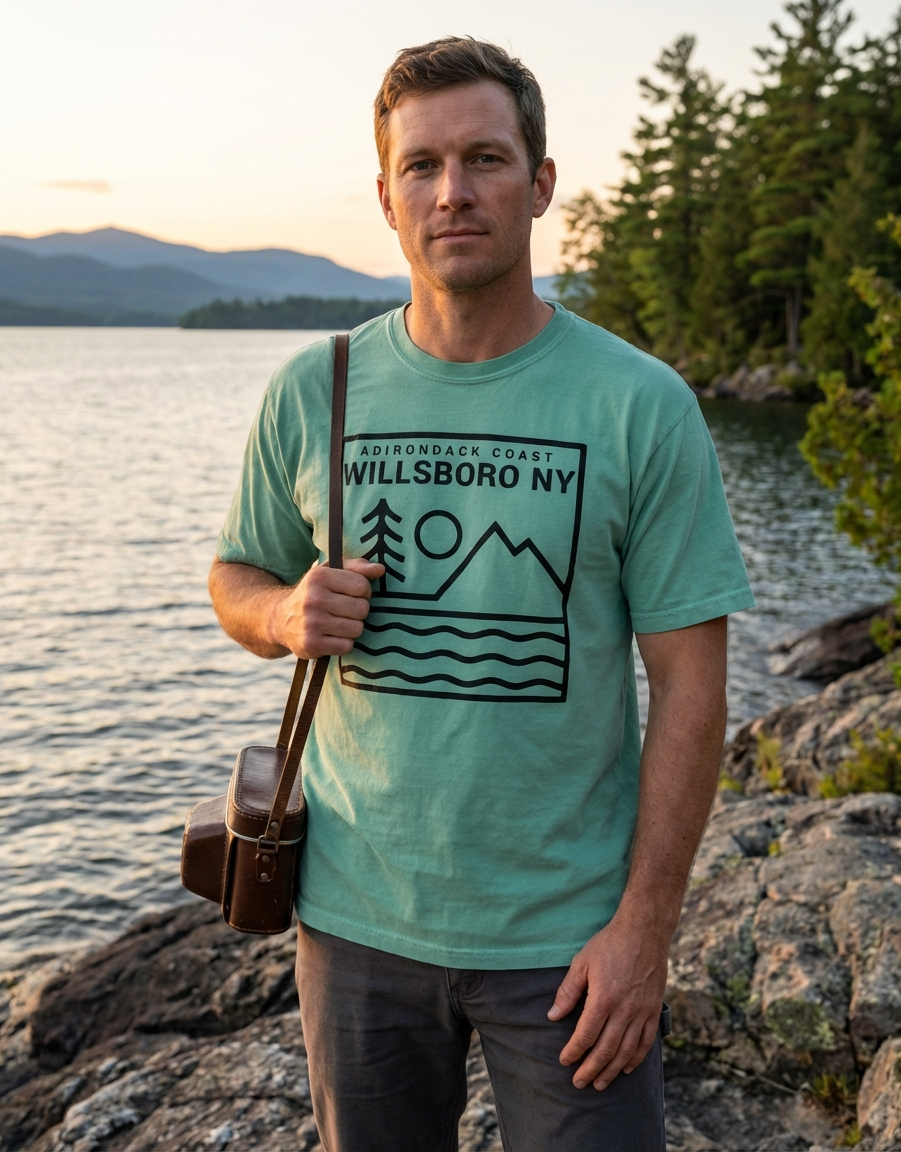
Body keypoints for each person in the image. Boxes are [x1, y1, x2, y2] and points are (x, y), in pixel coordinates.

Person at [209, 36, 754, 1152]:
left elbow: (690, 685)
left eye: (486, 158)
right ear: (385, 194)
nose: (452, 191)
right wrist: (280, 613)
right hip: (354, 927)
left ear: (541, 182)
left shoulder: (639, 405)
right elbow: (235, 576)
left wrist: (643, 929)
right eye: (422, 166)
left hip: (567, 945)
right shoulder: (318, 388)